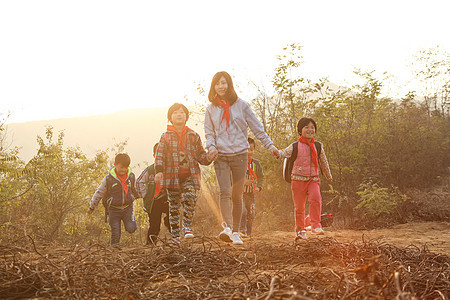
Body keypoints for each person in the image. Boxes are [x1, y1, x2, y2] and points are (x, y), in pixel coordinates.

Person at [204, 71, 279, 245]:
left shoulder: (242, 105)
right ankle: (227, 228)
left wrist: (271, 147)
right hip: (221, 156)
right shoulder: (211, 109)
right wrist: (212, 147)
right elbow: (209, 133)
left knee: (237, 196)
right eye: (217, 83)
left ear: (229, 85)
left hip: (239, 155)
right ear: (213, 87)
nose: (221, 86)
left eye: (224, 83)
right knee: (225, 191)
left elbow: (257, 128)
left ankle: (237, 232)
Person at [154, 103, 212, 243]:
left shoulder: (193, 135)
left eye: (181, 112)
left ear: (186, 116)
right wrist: (159, 171)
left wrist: (209, 158)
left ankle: (187, 227)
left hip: (190, 176)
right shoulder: (165, 137)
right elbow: (159, 155)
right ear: (170, 118)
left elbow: (200, 155)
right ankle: (175, 236)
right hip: (171, 177)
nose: (179, 114)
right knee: (173, 207)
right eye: (175, 113)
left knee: (190, 197)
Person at [279, 117, 333, 240]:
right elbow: (284, 153)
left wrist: (328, 175)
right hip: (297, 180)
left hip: (313, 178)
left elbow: (323, 162)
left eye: (312, 127)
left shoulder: (318, 146)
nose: (310, 129)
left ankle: (315, 225)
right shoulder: (295, 146)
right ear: (300, 130)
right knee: (299, 207)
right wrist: (276, 152)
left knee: (316, 199)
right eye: (306, 127)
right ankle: (300, 229)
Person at [88, 153, 139, 246]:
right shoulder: (109, 179)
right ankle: (114, 252)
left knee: (132, 228)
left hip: (128, 208)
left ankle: (129, 224)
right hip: (113, 210)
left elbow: (135, 189)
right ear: (115, 164)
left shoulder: (131, 177)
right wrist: (92, 206)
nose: (124, 170)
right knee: (115, 232)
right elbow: (99, 192)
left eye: (126, 167)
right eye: (121, 167)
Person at [136, 143, 171, 245]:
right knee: (154, 224)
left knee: (172, 218)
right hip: (153, 202)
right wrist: (145, 195)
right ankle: (150, 243)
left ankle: (174, 239)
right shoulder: (150, 170)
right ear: (154, 156)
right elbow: (139, 182)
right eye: (158, 155)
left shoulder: (171, 169)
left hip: (167, 199)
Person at [240, 137, 264, 237]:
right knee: (242, 211)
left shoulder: (256, 163)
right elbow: (231, 177)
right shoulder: (238, 162)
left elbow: (261, 176)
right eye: (246, 149)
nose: (249, 152)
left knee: (251, 213)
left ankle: (248, 234)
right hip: (239, 194)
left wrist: (259, 187)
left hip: (251, 194)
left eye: (251, 149)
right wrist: (243, 182)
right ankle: (241, 230)